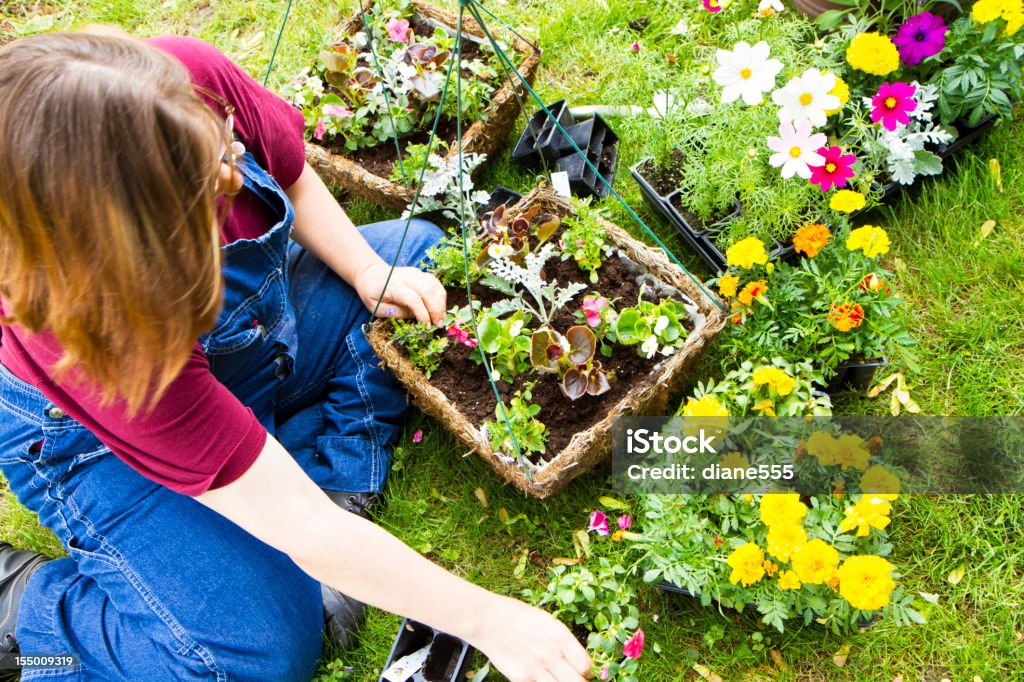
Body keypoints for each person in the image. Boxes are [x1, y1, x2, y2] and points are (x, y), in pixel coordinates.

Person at [0, 30, 591, 681]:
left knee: (418, 260)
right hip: (91, 439)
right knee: (258, 654)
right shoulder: (109, 351)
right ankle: (29, 611)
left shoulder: (180, 79)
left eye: (223, 143)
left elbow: (291, 173)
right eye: (205, 186)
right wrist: (488, 620)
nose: (234, 173)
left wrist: (369, 272)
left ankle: (307, 492)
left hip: (240, 335)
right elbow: (298, 522)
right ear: (135, 244)